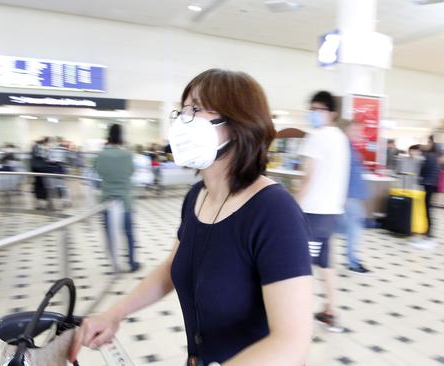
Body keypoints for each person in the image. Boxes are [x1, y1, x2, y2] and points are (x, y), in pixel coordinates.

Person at [70, 69, 312, 366]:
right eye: (183, 110)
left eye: (196, 110)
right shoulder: (197, 196)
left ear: (239, 124)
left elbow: (291, 342)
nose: (184, 121)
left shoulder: (274, 211)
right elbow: (173, 267)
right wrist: (114, 313)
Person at [296, 90, 350, 332]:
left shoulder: (317, 137)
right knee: (325, 263)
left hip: (313, 213)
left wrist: (292, 206)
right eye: (312, 109)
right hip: (331, 213)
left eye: (319, 110)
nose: (314, 114)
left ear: (332, 113)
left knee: (299, 265)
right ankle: (331, 311)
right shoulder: (340, 137)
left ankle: (292, 322)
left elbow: (308, 177)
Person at [94, 124, 139, 273]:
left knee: (110, 235)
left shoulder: (100, 155)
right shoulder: (128, 155)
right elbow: (131, 172)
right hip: (125, 201)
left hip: (106, 201)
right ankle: (132, 263)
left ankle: (114, 264)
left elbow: (98, 172)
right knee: (129, 234)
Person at [338, 121, 371, 274]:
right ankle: (353, 262)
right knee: (354, 230)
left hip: (354, 197)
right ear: (347, 130)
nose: (359, 134)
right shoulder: (343, 148)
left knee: (352, 229)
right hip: (349, 197)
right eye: (356, 130)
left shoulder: (351, 148)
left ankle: (352, 260)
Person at [413, 136, 440, 249]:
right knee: (428, 208)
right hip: (432, 184)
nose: (426, 144)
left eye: (428, 142)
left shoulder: (428, 156)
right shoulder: (435, 156)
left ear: (431, 144)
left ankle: (429, 232)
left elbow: (424, 170)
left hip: (428, 184)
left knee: (427, 209)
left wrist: (419, 177)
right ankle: (428, 231)